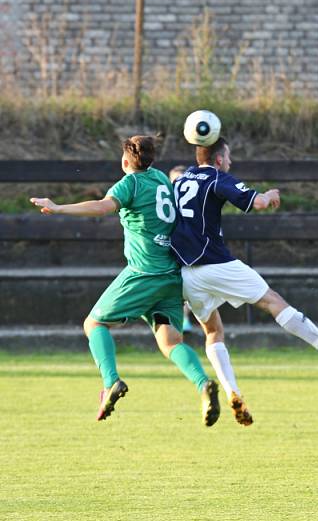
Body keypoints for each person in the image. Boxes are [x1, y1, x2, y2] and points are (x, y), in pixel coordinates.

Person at [170, 136, 318, 426]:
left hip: (185, 272)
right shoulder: (216, 178)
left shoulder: (179, 182)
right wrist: (270, 195)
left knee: (213, 331)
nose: (230, 162)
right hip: (215, 263)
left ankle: (233, 393)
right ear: (219, 159)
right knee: (273, 301)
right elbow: (257, 202)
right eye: (229, 157)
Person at [30, 136, 220, 426]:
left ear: (126, 160)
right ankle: (203, 383)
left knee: (93, 323)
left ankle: (111, 382)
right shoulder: (159, 178)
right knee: (170, 341)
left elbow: (101, 207)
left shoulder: (129, 184)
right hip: (171, 274)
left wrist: (58, 208)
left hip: (144, 272)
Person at [168, 164, 195, 334]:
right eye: (175, 181)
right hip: (170, 251)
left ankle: (186, 318)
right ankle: (173, 320)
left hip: (192, 253)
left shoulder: (196, 204)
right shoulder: (166, 202)